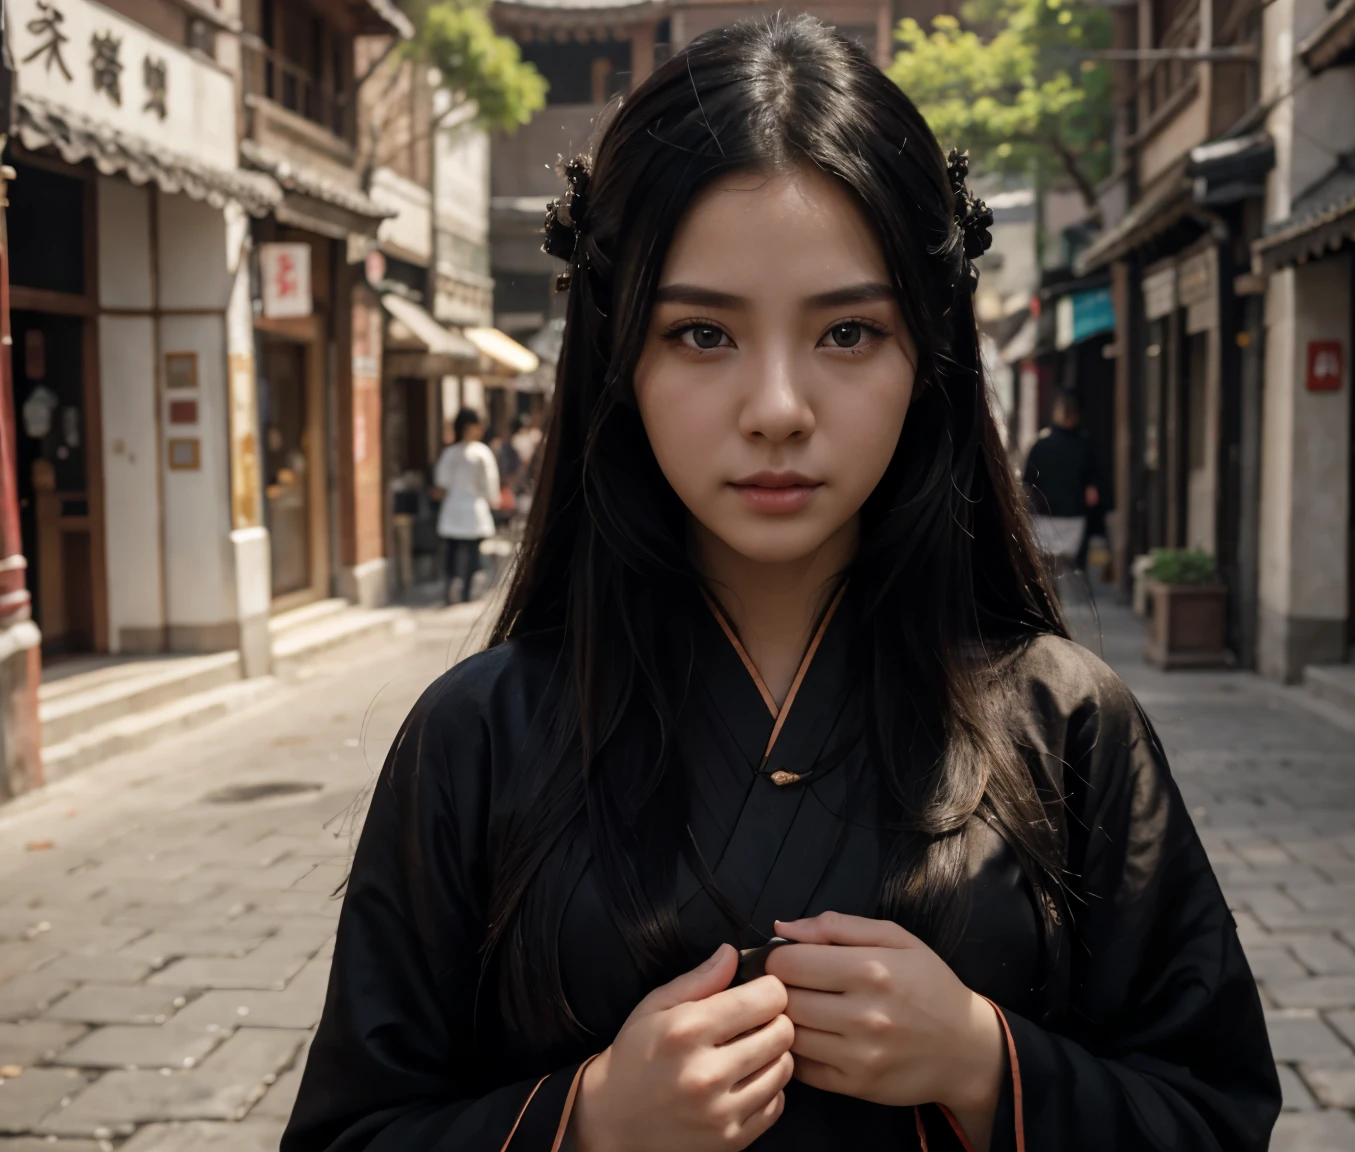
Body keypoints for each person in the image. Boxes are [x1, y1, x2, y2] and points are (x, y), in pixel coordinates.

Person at [283, 17, 1278, 1152]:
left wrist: (984, 1064)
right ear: (617, 357)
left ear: (931, 354)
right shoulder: (479, 735)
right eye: (702, 333)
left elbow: (1215, 1112)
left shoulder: (1067, 721)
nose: (777, 407)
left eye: (848, 331)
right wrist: (587, 1122)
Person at [1022, 392, 1100, 573]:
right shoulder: (1084, 444)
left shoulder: (1040, 444)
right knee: (1069, 567)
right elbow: (1093, 486)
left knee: (1044, 567)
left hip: (1044, 514)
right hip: (1073, 514)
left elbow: (1027, 481)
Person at [433, 408, 500, 604]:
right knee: (471, 553)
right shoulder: (481, 453)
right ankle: (465, 591)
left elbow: (441, 483)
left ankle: (453, 588)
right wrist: (492, 498)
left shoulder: (450, 453)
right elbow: (490, 484)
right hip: (473, 508)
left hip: (455, 508)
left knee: (454, 552)